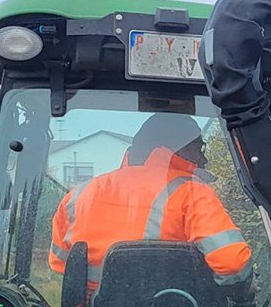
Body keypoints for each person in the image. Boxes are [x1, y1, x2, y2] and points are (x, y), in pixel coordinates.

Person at [48, 112, 252, 290]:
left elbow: (59, 265)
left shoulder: (78, 195)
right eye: (199, 148)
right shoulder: (192, 191)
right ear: (177, 149)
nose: (203, 159)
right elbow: (231, 264)